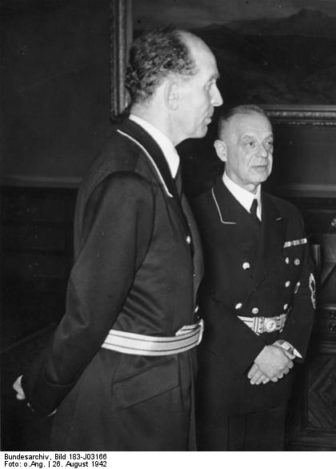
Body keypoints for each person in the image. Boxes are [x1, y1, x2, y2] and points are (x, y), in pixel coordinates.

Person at [12, 27, 223, 450]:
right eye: (210, 85)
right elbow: (88, 316)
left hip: (154, 390)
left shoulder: (153, 163)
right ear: (172, 93)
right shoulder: (129, 178)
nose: (218, 100)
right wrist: (41, 388)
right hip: (125, 408)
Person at [190, 104, 315, 451]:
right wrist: (255, 353)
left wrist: (284, 350)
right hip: (224, 372)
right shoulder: (197, 214)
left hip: (277, 370)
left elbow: (305, 294)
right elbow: (198, 300)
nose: (263, 154)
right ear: (221, 150)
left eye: (269, 144)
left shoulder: (288, 215)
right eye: (249, 143)